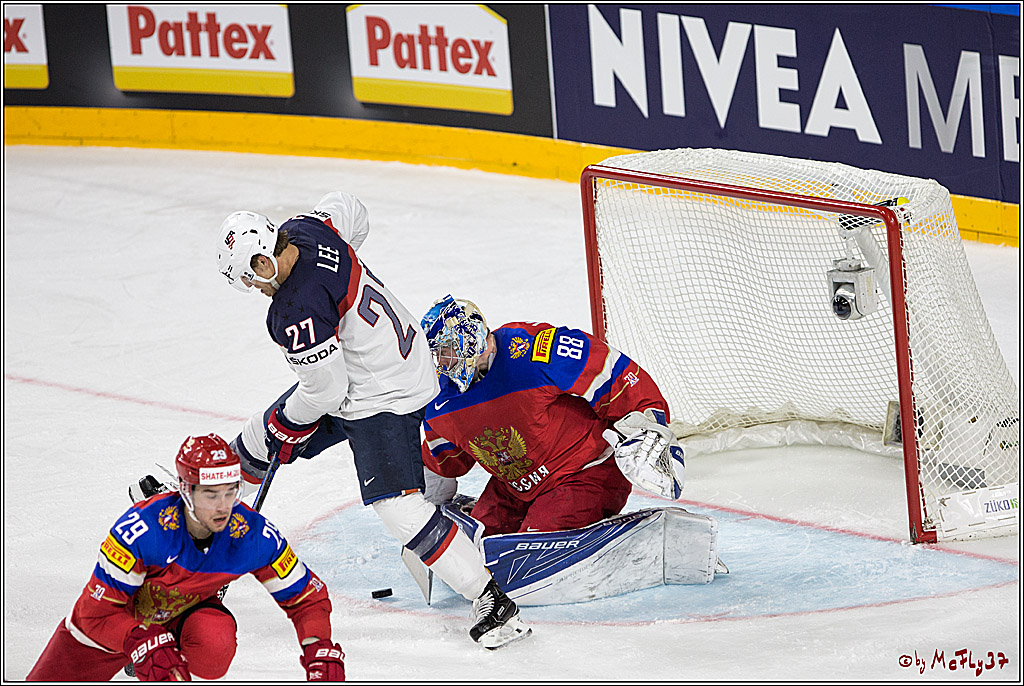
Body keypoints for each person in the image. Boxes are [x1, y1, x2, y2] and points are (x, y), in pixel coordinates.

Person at [213, 193, 531, 649]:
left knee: (398, 507)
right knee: (264, 433)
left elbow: (325, 392)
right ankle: (203, 506)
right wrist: (282, 424)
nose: (255, 289)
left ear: (264, 262)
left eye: (250, 279)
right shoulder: (309, 229)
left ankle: (492, 601)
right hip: (390, 362)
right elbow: (349, 206)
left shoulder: (294, 309)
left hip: (385, 395)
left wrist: (288, 423)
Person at [27, 434, 345, 682]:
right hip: (113, 623)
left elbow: (306, 596)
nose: (223, 506)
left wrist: (317, 646)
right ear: (185, 490)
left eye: (230, 491)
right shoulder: (142, 531)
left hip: (181, 614)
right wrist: (139, 639)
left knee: (214, 644)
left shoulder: (251, 533)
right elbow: (94, 616)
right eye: (210, 494)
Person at [418, 295, 687, 537]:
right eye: (436, 354)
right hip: (515, 488)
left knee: (531, 546)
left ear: (471, 341)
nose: (440, 362)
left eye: (446, 351)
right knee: (475, 546)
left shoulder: (531, 350)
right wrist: (422, 505)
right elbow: (445, 459)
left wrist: (650, 426)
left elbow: (613, 373)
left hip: (585, 471)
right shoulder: (439, 396)